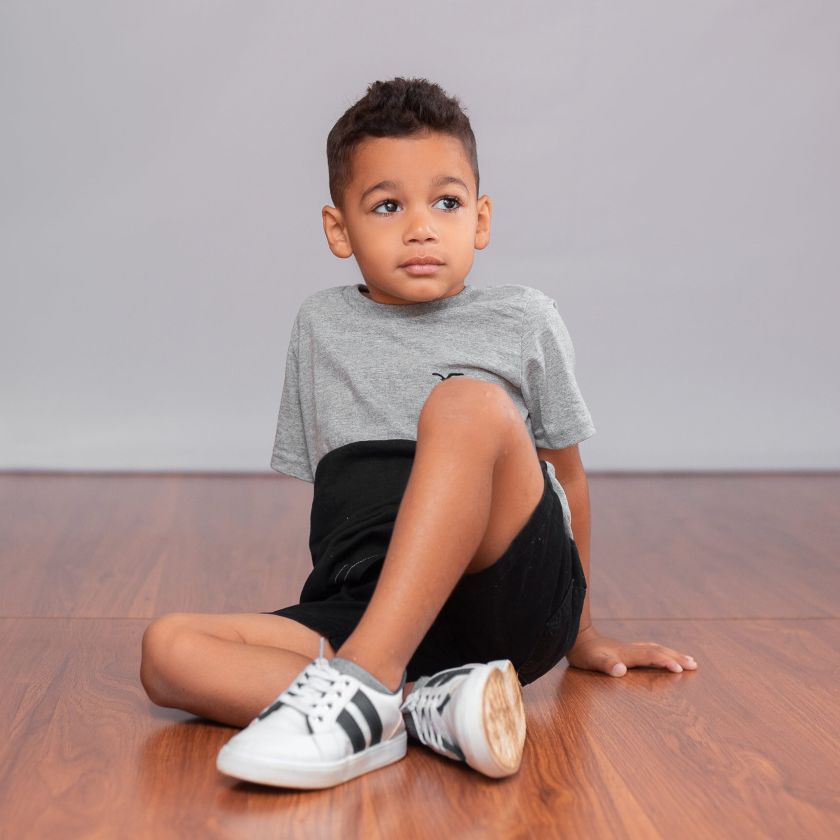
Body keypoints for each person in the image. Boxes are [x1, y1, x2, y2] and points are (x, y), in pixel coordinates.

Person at [139, 76, 698, 790]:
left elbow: (567, 476)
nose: (421, 228)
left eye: (446, 203)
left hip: (504, 595)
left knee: (464, 403)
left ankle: (362, 683)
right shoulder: (319, 326)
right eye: (387, 206)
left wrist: (581, 633)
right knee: (169, 648)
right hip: (370, 605)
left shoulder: (524, 318)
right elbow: (347, 503)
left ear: (481, 219)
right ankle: (420, 707)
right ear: (339, 229)